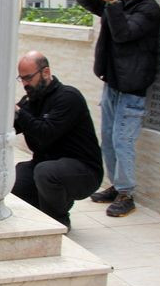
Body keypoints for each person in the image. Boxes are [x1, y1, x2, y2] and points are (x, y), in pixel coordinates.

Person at [75, 0, 160, 217]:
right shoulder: (116, 4)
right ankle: (116, 186)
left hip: (132, 89)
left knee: (122, 142)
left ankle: (127, 194)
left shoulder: (148, 10)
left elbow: (124, 34)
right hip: (112, 83)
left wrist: (113, 4)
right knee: (110, 142)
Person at [11, 52, 103, 231]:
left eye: (28, 78)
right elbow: (13, 127)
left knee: (45, 172)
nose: (25, 84)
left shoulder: (68, 97)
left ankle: (59, 220)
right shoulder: (31, 100)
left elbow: (45, 133)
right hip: (49, 166)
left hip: (84, 171)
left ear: (45, 72)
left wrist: (19, 113)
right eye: (21, 79)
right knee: (18, 178)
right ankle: (47, 209)